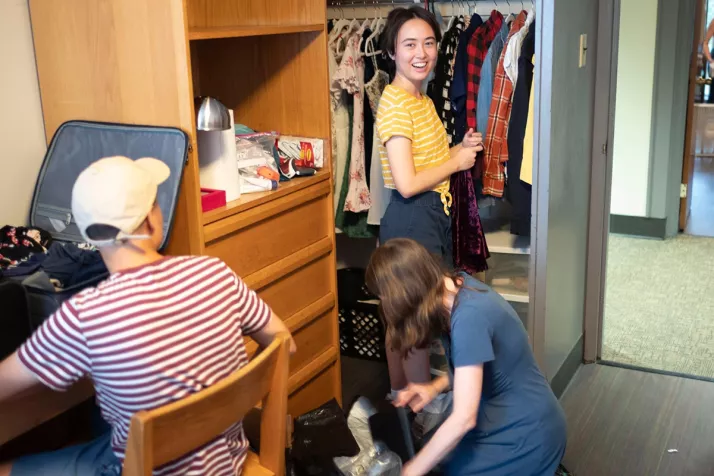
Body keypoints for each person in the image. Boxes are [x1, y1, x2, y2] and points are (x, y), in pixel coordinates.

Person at [0, 156, 296, 476]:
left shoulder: (84, 316)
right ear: (153, 221)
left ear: (88, 238)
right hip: (229, 463)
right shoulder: (215, 273)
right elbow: (286, 345)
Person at [365, 238, 567, 476]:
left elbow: (464, 418)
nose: (384, 304)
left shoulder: (469, 317)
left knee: (443, 464)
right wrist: (434, 387)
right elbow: (474, 368)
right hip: (503, 412)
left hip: (531, 429)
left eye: (384, 298)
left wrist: (410, 471)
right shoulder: (454, 287)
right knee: (443, 459)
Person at [376, 6, 483, 396]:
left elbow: (421, 161)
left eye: (428, 42)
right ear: (391, 52)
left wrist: (457, 149)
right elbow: (406, 183)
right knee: (415, 324)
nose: (421, 53)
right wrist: (457, 161)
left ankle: (404, 404)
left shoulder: (417, 99)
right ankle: (418, 411)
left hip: (424, 215)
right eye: (409, 44)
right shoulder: (396, 104)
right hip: (411, 217)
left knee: (404, 319)